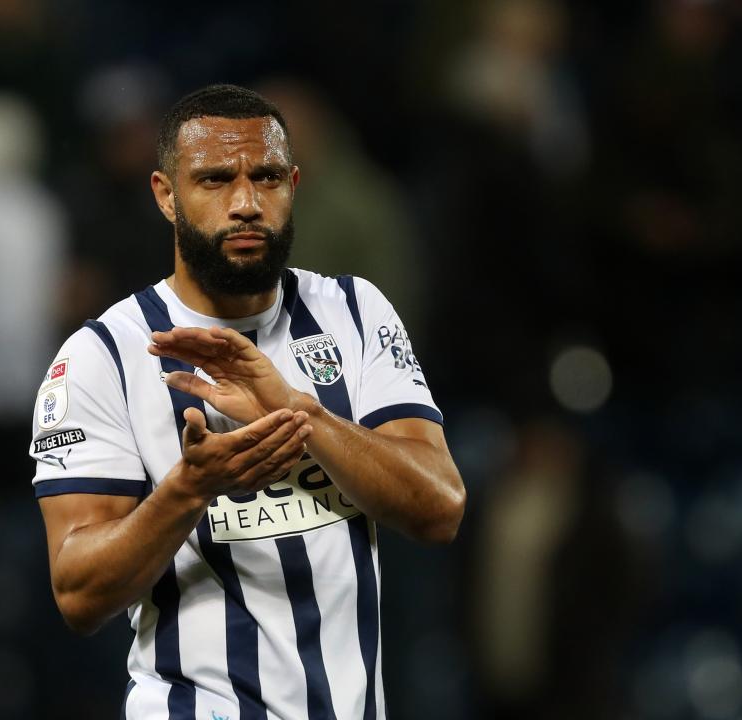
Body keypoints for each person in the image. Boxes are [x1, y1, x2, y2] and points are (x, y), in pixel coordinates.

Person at [30, 84, 466, 720]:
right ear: (164, 195)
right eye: (213, 179)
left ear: (293, 183)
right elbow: (77, 593)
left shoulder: (355, 312)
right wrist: (190, 489)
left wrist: (302, 413)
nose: (245, 203)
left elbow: (441, 508)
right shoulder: (101, 355)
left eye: (265, 177)